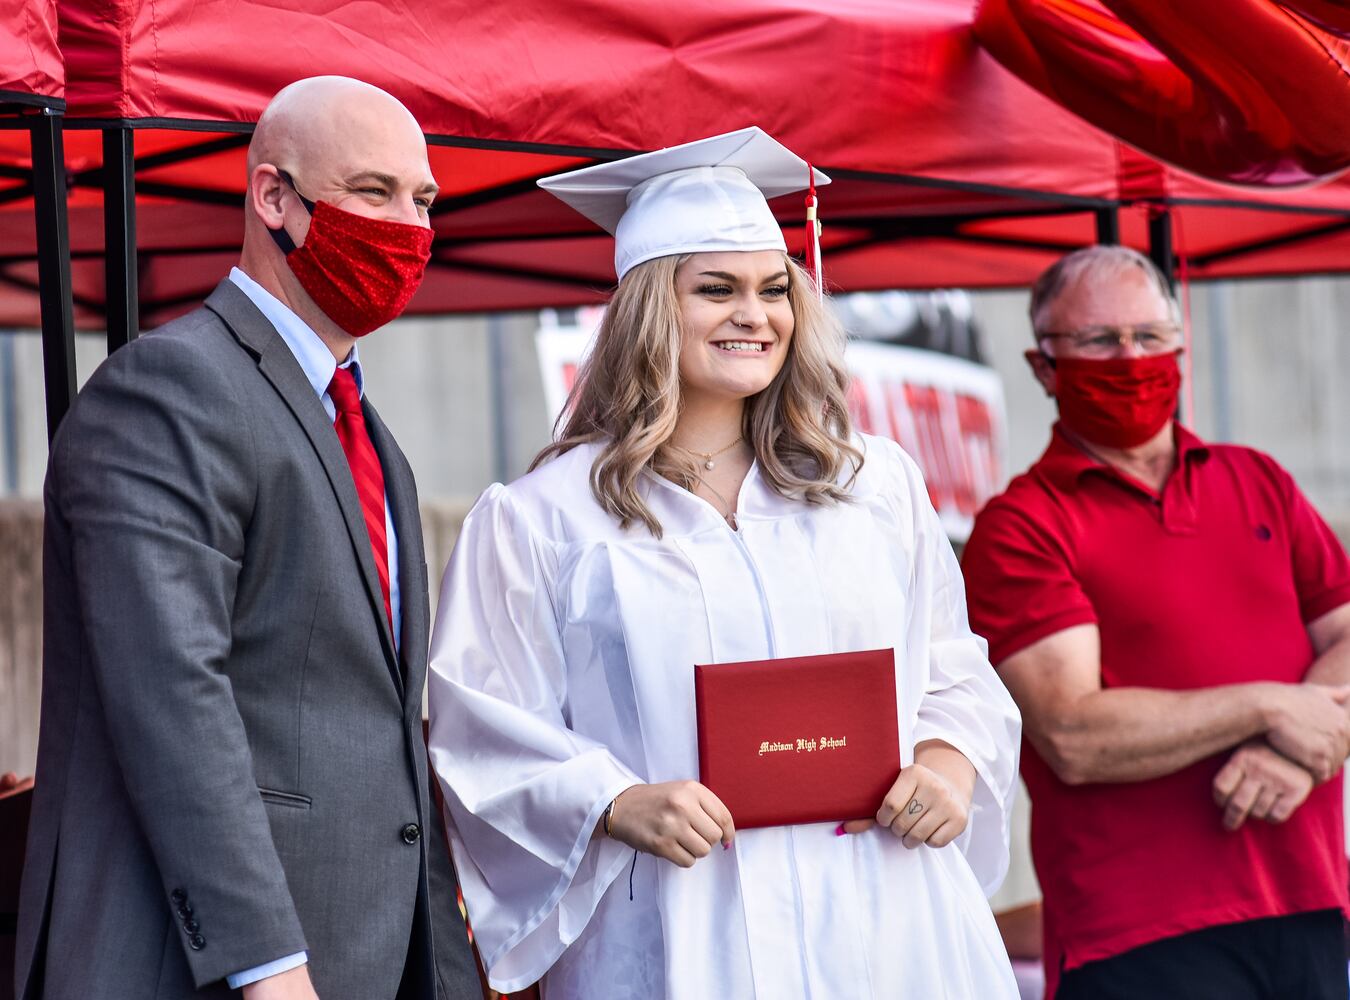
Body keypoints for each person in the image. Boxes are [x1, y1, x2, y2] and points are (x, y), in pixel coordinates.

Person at [426, 128, 1022, 999]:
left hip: (886, 916)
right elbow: (481, 724)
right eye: (717, 289)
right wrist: (617, 801)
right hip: (678, 928)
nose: (756, 314)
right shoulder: (542, 519)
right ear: (648, 311)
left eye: (775, 290)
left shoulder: (872, 484)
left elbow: (952, 668)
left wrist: (947, 762)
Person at [15, 77, 479, 1000]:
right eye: (373, 192)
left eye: (422, 200)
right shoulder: (166, 390)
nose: (408, 226)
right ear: (274, 198)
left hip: (366, 959)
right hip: (210, 970)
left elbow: (386, 737)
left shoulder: (373, 437)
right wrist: (267, 965)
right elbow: (172, 694)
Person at [960, 244, 1350, 1000]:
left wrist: (1294, 754)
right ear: (1044, 367)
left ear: (1180, 346)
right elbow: (1074, 735)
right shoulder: (1023, 525)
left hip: (1307, 901)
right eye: (1100, 341)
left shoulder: (1257, 478)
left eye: (1149, 337)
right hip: (1137, 931)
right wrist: (1270, 704)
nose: (1131, 359)